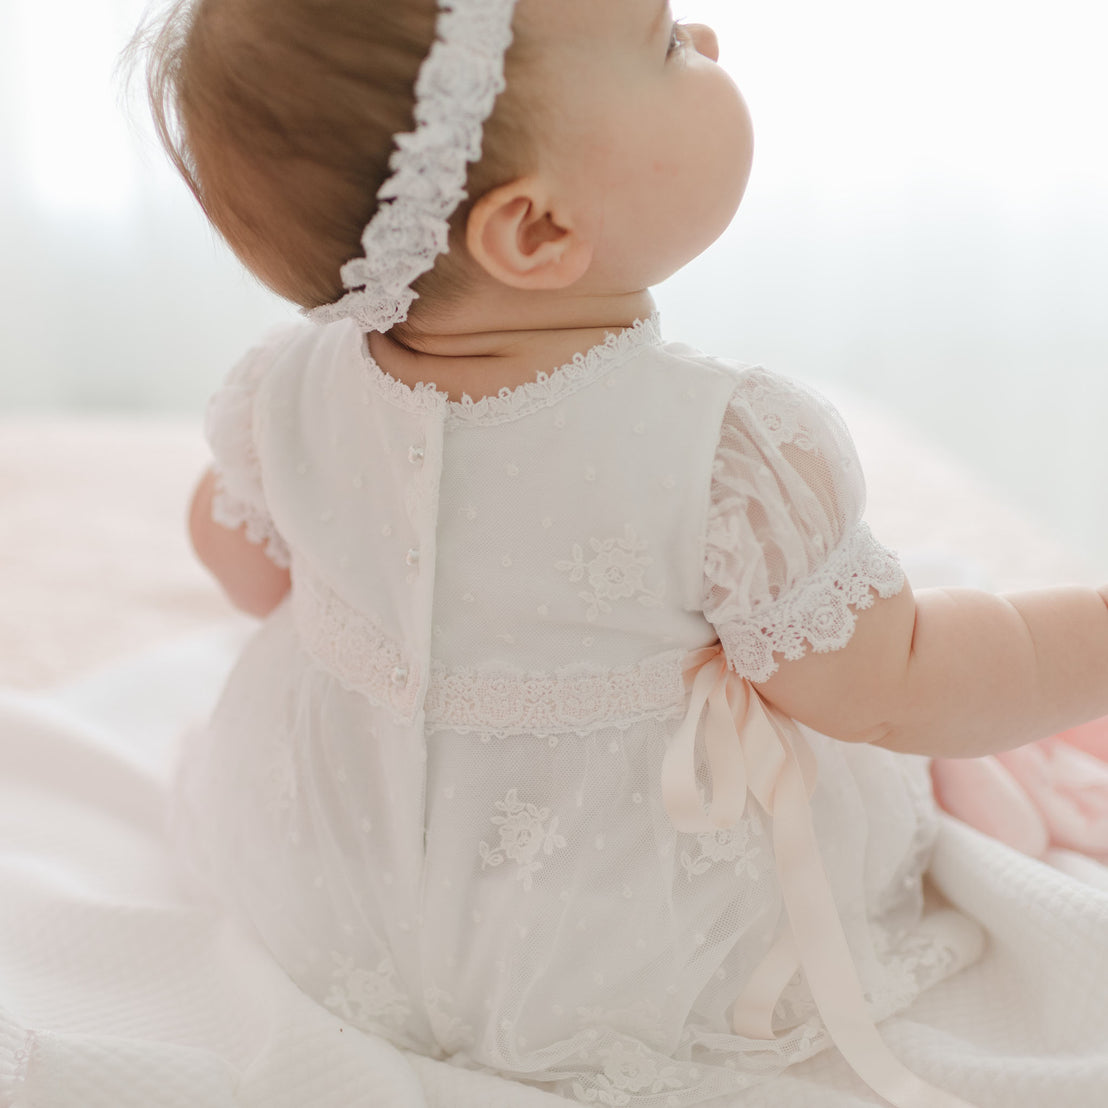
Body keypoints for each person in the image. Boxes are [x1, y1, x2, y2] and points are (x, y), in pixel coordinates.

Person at [128, 0, 1108, 1105]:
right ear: (536, 231)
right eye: (669, 43)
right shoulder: (727, 450)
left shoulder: (285, 386)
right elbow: (891, 682)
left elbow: (244, 564)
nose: (713, 40)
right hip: (613, 937)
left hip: (328, 876)